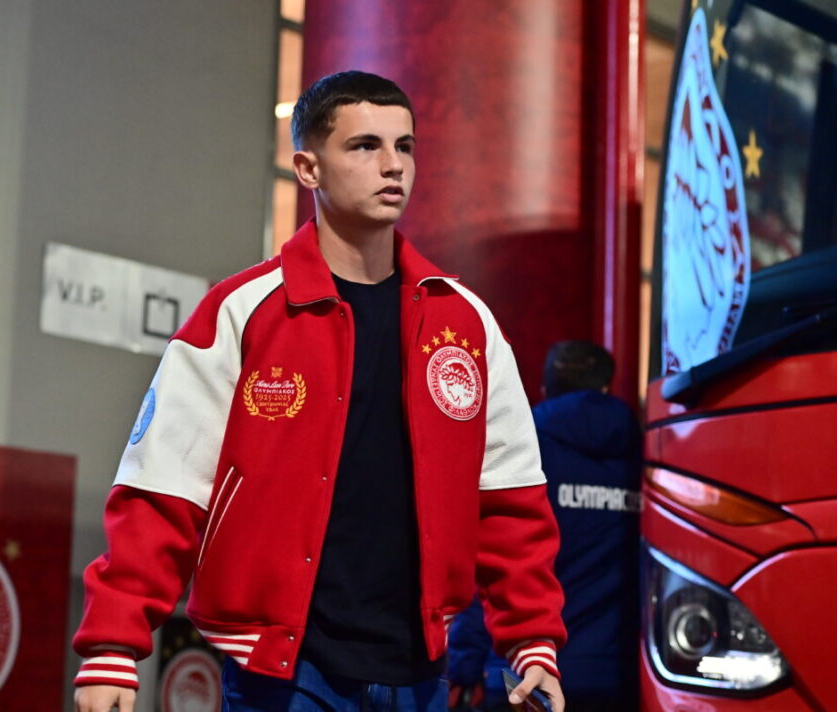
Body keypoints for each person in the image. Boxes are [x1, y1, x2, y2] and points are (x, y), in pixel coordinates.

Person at [72, 70, 567, 712]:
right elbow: (162, 488)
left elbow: (511, 501)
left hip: (422, 672)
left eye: (405, 146)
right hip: (284, 673)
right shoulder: (241, 311)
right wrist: (113, 646)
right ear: (308, 168)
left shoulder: (465, 322)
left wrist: (532, 642)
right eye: (365, 146)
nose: (393, 166)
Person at [446, 341, 641, 712]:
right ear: (605, 387)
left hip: (522, 674)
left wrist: (464, 666)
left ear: (545, 389)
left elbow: (485, 560)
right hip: (620, 676)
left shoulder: (518, 450)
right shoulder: (649, 452)